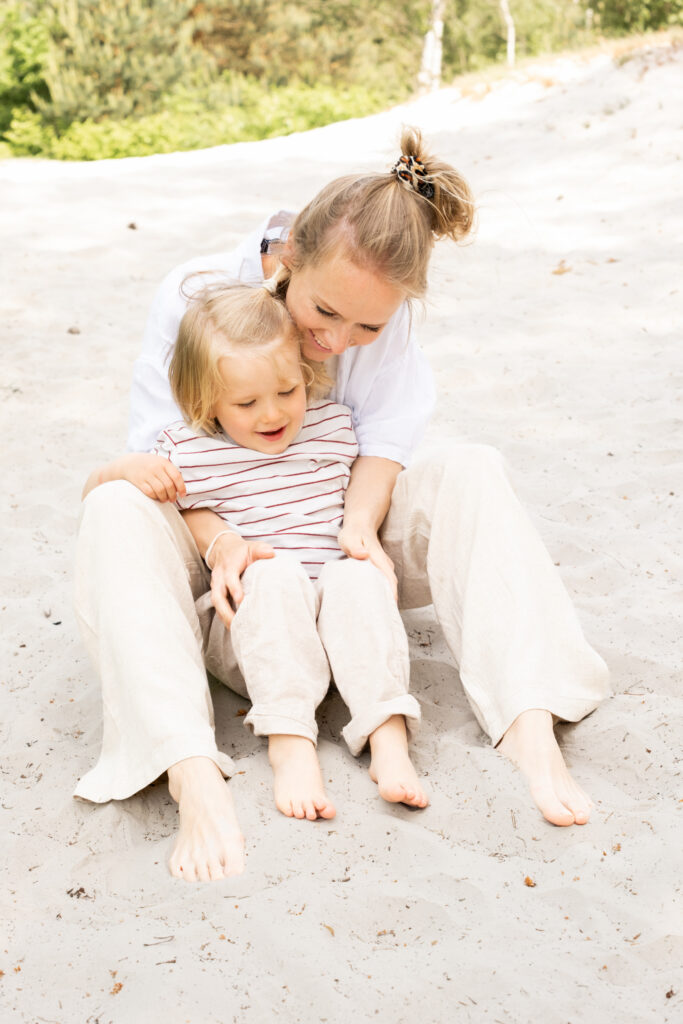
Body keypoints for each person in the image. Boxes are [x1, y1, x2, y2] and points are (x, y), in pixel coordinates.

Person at [75, 127, 609, 883]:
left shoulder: (377, 311)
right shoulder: (195, 294)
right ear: (289, 254)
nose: (335, 340)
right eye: (322, 312)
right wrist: (223, 543)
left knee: (473, 467)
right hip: (235, 566)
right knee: (114, 506)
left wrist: (358, 528)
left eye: (367, 327)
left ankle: (527, 716)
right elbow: (162, 465)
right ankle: (188, 767)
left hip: (335, 532)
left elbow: (385, 440)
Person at [82, 283, 427, 825]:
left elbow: (375, 481)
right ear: (206, 401)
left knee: (358, 575)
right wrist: (129, 470)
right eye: (246, 403)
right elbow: (106, 496)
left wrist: (363, 543)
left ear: (306, 375)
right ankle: (290, 743)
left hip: (339, 628)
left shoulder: (333, 427)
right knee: (271, 573)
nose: (272, 414)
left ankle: (387, 735)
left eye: (287, 391)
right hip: (253, 630)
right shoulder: (188, 449)